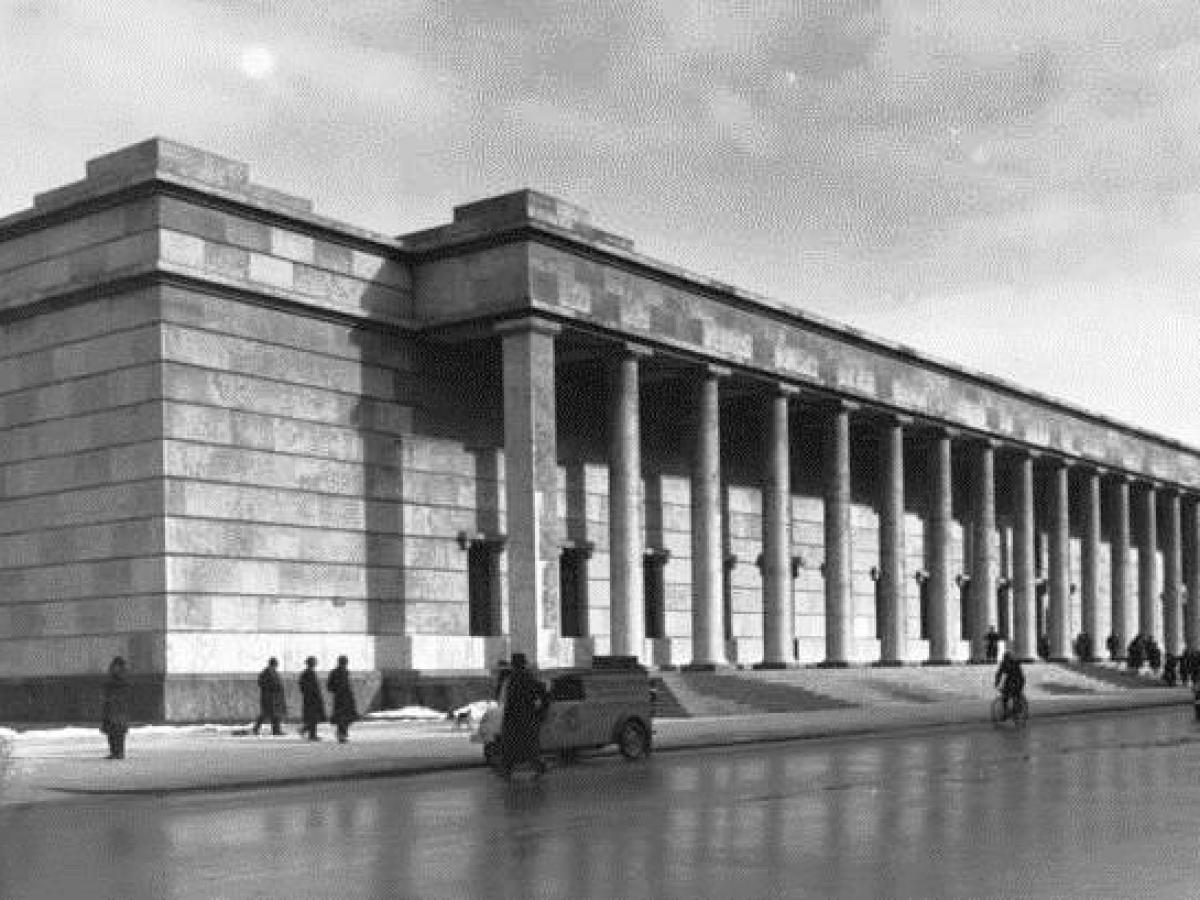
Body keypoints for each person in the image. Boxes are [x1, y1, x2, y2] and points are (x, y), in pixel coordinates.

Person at [498, 653, 550, 779]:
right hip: (528, 717)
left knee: (511, 746)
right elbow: (545, 697)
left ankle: (507, 771)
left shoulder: (512, 680)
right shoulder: (530, 679)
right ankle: (538, 767)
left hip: (514, 719)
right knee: (528, 746)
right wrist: (540, 713)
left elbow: (504, 700)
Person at [100, 656, 132, 760]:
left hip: (119, 708)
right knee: (111, 731)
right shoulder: (112, 678)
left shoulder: (122, 679)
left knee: (118, 731)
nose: (114, 668)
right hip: (111, 708)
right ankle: (114, 752)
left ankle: (119, 752)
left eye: (116, 666)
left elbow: (122, 689)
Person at [326, 655, 358, 744]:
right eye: (344, 662)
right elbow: (329, 686)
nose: (345, 664)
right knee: (341, 717)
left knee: (348, 717)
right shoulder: (334, 673)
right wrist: (337, 690)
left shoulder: (346, 672)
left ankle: (343, 733)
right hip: (340, 698)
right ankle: (341, 734)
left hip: (347, 697)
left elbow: (348, 685)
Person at [252, 657, 286, 736]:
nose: (276, 666)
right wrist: (274, 687)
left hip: (274, 697)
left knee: (275, 714)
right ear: (273, 664)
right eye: (275, 664)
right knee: (266, 714)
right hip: (269, 697)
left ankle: (276, 730)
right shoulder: (266, 673)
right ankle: (256, 728)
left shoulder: (272, 672)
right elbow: (262, 684)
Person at [299, 656, 325, 741]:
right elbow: (310, 687)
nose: (315, 663)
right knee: (313, 717)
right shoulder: (309, 673)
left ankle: (305, 730)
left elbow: (302, 686)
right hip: (312, 699)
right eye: (314, 662)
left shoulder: (306, 673)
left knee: (313, 717)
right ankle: (311, 735)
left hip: (309, 698)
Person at [993, 651, 1025, 718]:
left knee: (1016, 694)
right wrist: (997, 682)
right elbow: (999, 673)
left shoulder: (1015, 663)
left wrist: (1018, 685)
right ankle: (1006, 712)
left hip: (1018, 679)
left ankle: (1017, 708)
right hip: (1009, 679)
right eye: (1005, 658)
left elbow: (1020, 675)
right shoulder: (1003, 664)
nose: (1006, 660)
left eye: (1007, 658)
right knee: (1005, 696)